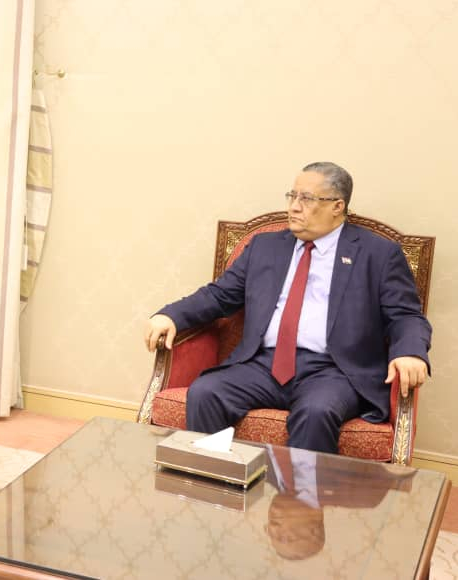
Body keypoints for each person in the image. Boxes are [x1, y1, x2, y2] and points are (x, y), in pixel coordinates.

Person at [144, 162, 432, 453]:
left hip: (333, 370)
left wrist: (410, 351)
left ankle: (298, 486)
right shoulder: (264, 246)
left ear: (337, 206)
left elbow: (405, 315)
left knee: (316, 412)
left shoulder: (378, 254)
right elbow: (220, 295)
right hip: (263, 364)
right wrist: (171, 315)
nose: (294, 207)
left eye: (306, 198)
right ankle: (215, 478)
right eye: (292, 196)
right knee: (206, 392)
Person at [264, 445, 415, 560]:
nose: (273, 527)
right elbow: (400, 478)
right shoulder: (361, 495)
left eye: (271, 534)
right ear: (314, 531)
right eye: (286, 538)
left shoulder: (262, 472)